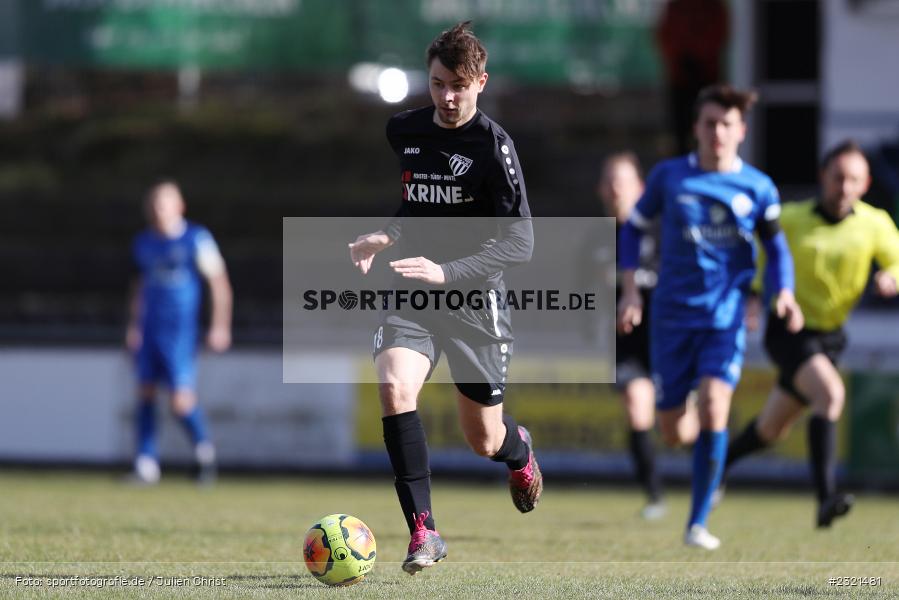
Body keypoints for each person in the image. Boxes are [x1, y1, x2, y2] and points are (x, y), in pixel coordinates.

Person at [347, 21, 542, 575]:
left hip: (476, 303)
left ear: (481, 81)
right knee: (392, 384)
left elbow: (520, 241)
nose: (447, 97)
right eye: (437, 84)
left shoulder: (494, 146)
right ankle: (424, 531)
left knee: (484, 439)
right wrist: (387, 234)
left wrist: (448, 270)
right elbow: (420, 201)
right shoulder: (404, 130)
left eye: (459, 85)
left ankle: (519, 452)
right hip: (413, 292)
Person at [617, 84, 803, 550]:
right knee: (674, 431)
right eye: (709, 123)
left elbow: (776, 247)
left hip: (725, 317)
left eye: (727, 124)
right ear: (696, 128)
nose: (717, 132)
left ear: (740, 131)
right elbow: (632, 230)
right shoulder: (669, 177)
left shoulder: (758, 187)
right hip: (671, 319)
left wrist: (782, 292)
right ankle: (697, 419)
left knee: (718, 404)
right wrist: (630, 292)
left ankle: (697, 523)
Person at [721, 140, 899, 527]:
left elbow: (897, 259)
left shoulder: (875, 223)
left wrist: (891, 276)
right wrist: (751, 299)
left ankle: (717, 468)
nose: (844, 187)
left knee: (772, 428)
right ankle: (825, 499)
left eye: (853, 179)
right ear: (823, 177)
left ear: (866, 183)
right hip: (788, 330)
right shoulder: (789, 218)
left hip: (832, 336)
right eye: (838, 177)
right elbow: (753, 258)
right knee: (831, 394)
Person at [126, 181, 232, 485]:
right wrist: (133, 326)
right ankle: (146, 463)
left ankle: (204, 453)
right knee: (144, 391)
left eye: (164, 203)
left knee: (180, 401)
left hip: (180, 332)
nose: (158, 210)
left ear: (179, 206)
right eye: (154, 204)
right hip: (150, 329)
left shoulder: (196, 239)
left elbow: (219, 283)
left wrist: (219, 325)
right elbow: (138, 287)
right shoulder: (143, 242)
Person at [597, 152, 666, 520]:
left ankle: (712, 470)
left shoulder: (661, 231)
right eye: (608, 180)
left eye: (621, 179)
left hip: (667, 344)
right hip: (627, 348)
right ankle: (655, 495)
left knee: (678, 431)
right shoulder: (594, 242)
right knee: (637, 407)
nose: (614, 187)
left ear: (640, 188)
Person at [656, 0, 729, 154]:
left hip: (707, 78)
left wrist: (700, 59)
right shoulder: (676, 6)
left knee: (710, 125)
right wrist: (681, 59)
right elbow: (665, 36)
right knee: (680, 131)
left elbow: (720, 34)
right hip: (681, 80)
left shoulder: (712, 6)